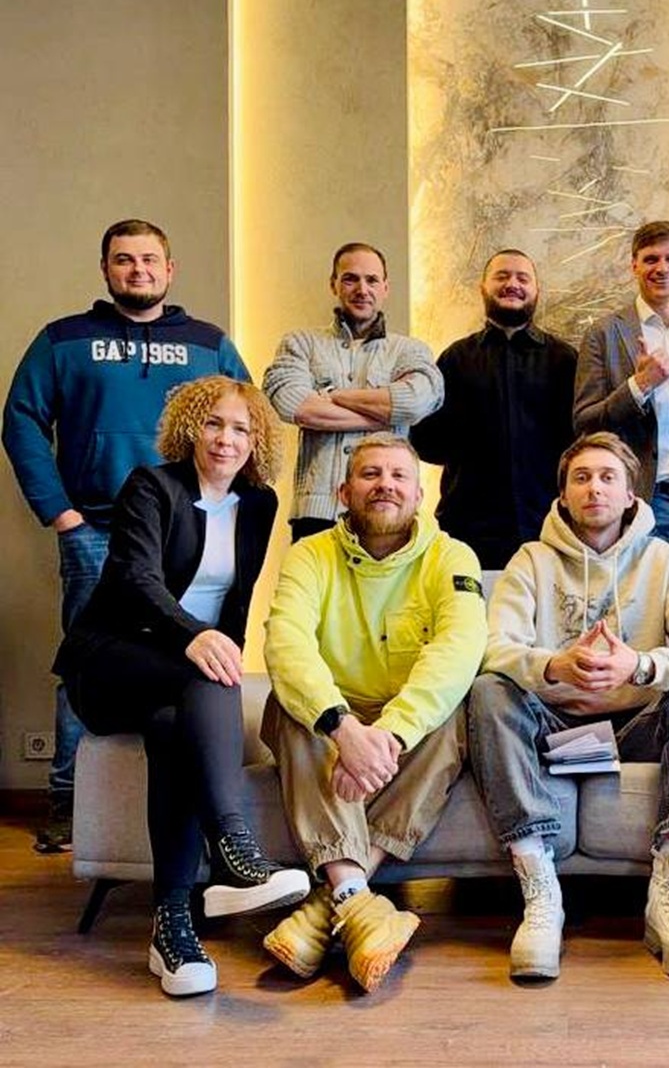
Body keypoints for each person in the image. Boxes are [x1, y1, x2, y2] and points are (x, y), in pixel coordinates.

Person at [54, 377, 308, 997]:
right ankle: (234, 850)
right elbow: (135, 577)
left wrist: (220, 651)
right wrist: (193, 636)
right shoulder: (152, 486)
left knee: (174, 729)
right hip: (110, 663)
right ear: (191, 427)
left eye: (241, 428)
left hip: (182, 682)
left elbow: (238, 602)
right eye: (214, 423)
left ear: (257, 441)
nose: (226, 439)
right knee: (206, 667)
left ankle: (172, 929)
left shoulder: (260, 504)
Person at [2, 218, 250, 853]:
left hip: (181, 528)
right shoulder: (64, 340)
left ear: (170, 269)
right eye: (123, 260)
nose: (137, 270)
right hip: (95, 527)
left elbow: (245, 419)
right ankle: (69, 804)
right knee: (90, 659)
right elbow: (21, 420)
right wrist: (60, 512)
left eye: (148, 259)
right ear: (106, 269)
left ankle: (176, 801)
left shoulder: (208, 344)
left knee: (185, 654)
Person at [469, 431, 669, 982]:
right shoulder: (530, 560)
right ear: (563, 495)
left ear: (631, 494)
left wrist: (641, 666)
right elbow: (493, 648)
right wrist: (553, 666)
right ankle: (539, 888)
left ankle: (668, 892)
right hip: (552, 730)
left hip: (637, 727)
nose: (594, 489)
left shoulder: (663, 559)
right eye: (581, 478)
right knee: (489, 688)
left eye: (608, 477)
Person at [261, 434, 487, 993]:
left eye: (398, 475)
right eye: (370, 474)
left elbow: (457, 651)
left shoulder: (453, 557)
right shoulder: (309, 555)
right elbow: (287, 643)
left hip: (401, 724)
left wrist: (386, 735)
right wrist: (342, 728)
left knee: (457, 713)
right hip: (333, 716)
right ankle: (360, 906)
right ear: (344, 493)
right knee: (287, 705)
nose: (385, 484)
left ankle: (331, 903)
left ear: (419, 495)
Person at [263, 242, 443, 542]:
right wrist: (387, 414)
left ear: (385, 287)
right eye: (350, 279)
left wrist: (333, 395)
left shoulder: (410, 350)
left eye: (372, 280)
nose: (362, 289)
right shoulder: (300, 343)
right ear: (333, 284)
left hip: (388, 511)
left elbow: (416, 401)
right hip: (317, 513)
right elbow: (291, 403)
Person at [574, 221, 669, 569]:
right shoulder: (604, 334)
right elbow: (584, 422)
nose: (662, 268)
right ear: (634, 266)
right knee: (632, 600)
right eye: (651, 259)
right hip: (634, 502)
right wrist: (639, 385)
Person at [410, 249, 576, 569]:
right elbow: (425, 441)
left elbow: (579, 443)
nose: (512, 284)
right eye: (502, 276)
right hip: (466, 526)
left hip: (548, 525)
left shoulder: (565, 359)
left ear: (537, 290)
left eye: (522, 278)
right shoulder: (455, 358)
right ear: (482, 288)